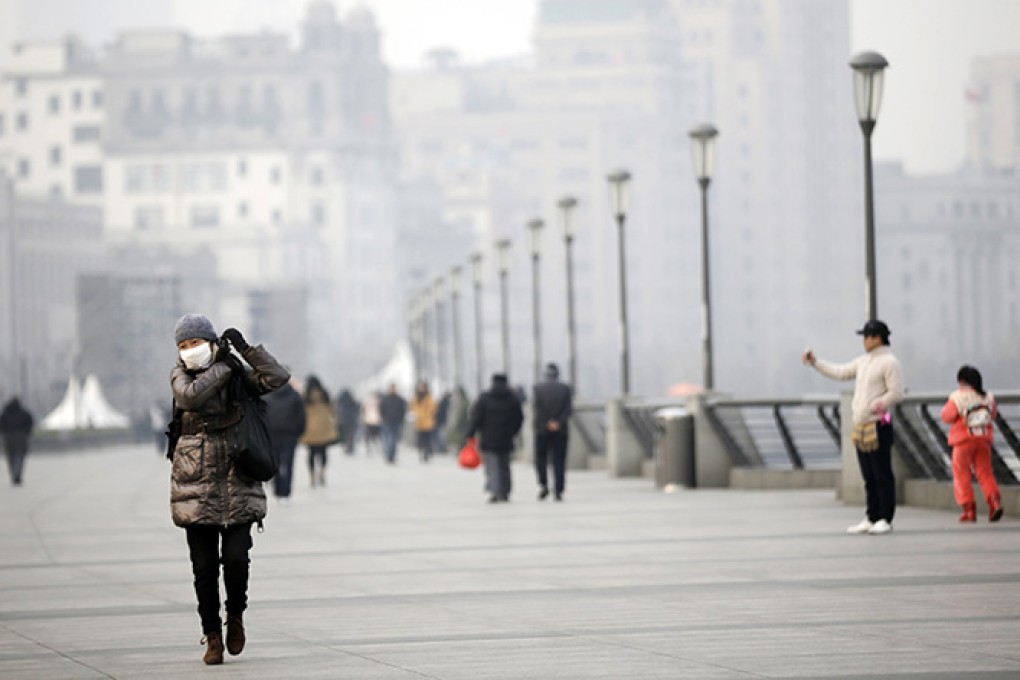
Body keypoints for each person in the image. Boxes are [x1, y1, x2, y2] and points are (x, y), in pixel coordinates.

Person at [168, 314, 288, 665]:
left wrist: (247, 351)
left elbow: (277, 377)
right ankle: (213, 635)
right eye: (184, 346)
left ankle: (235, 616)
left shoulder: (238, 373)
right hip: (195, 479)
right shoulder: (180, 374)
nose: (190, 351)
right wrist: (226, 367)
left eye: (195, 343)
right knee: (204, 568)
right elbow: (190, 396)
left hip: (238, 474)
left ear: (212, 342)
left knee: (236, 559)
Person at [802, 319, 904, 535]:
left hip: (878, 425)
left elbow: (896, 392)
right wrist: (816, 362)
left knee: (882, 473)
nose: (864, 341)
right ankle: (871, 516)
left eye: (867, 337)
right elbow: (841, 372)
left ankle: (885, 518)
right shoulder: (864, 361)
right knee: (868, 474)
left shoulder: (890, 362)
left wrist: (879, 405)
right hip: (861, 425)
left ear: (877, 338)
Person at [941, 365, 1002, 523]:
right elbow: (993, 414)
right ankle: (994, 502)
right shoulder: (988, 397)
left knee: (962, 474)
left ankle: (969, 509)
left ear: (961, 380)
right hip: (983, 440)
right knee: (985, 472)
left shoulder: (958, 397)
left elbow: (946, 416)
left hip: (963, 441)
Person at [467, 373, 524, 503]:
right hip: (506, 437)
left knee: (492, 465)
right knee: (505, 465)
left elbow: (476, 418)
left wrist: (471, 434)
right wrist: (513, 432)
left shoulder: (485, 398)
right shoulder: (512, 398)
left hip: (489, 437)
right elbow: (519, 418)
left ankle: (494, 491)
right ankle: (505, 491)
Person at [533, 363, 573, 502]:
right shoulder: (565, 388)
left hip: (542, 430)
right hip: (561, 430)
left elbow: (538, 409)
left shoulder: (538, 388)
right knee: (559, 460)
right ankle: (558, 489)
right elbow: (568, 409)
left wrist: (547, 422)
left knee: (541, 459)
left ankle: (544, 484)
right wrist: (558, 422)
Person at [263, 377, 306, 505]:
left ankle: (277, 490)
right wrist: (299, 432)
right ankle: (286, 493)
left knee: (274, 463)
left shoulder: (267, 396)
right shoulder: (294, 396)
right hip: (290, 435)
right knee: (288, 464)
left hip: (272, 434)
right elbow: (301, 416)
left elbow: (263, 416)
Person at [301, 376, 339, 488]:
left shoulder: (305, 395)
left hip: (310, 426)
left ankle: (312, 476)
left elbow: (301, 410)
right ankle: (322, 472)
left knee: (311, 453)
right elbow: (331, 409)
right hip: (324, 425)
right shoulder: (324, 393)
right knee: (323, 451)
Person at [0, 397, 34, 486]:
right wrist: (27, 433)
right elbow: (30, 423)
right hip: (21, 436)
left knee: (10, 457)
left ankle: (14, 473)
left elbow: (2, 425)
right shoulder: (23, 413)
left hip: (8, 437)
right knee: (19, 456)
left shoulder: (5, 413)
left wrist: (4, 433)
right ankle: (17, 473)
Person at [379, 383, 407, 464]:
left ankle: (391, 456)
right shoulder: (386, 399)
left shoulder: (399, 400)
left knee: (392, 440)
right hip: (388, 422)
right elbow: (381, 409)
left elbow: (403, 411)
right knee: (389, 439)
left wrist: (401, 420)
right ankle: (389, 455)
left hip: (395, 422)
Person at [410, 381, 437, 462]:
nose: (421, 389)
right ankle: (422, 453)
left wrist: (427, 411)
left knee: (427, 440)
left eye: (423, 387)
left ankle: (426, 453)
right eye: (420, 387)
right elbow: (413, 408)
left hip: (428, 423)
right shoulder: (416, 398)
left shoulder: (429, 398)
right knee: (420, 441)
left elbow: (433, 408)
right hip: (419, 423)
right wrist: (415, 414)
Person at [446, 386, 471, 453]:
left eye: (457, 394)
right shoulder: (462, 403)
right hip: (461, 428)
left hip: (463, 427)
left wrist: (456, 424)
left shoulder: (465, 403)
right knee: (460, 443)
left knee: (462, 443)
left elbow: (462, 416)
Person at [337, 389, 361, 455]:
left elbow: (337, 411)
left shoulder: (340, 402)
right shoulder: (352, 401)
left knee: (346, 435)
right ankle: (350, 447)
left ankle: (347, 446)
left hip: (343, 421)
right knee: (351, 435)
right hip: (352, 421)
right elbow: (357, 409)